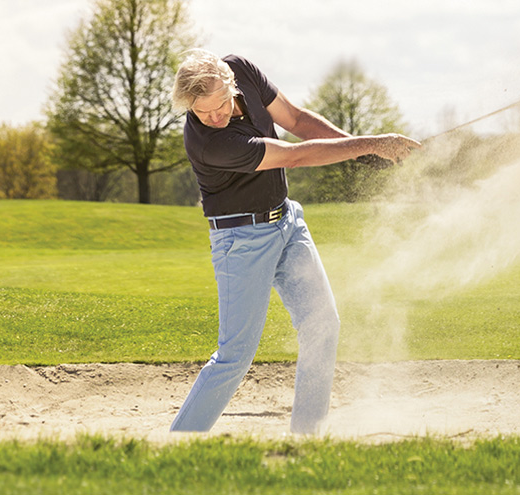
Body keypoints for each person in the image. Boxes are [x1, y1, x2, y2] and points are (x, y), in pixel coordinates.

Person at [168, 49, 419, 433]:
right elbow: (294, 156)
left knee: (323, 326)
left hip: (287, 222)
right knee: (235, 355)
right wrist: (370, 144)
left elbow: (298, 120)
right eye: (203, 112)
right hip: (241, 241)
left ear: (230, 84)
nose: (215, 117)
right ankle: (179, 444)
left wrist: (362, 151)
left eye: (220, 104)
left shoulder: (240, 69)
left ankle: (306, 438)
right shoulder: (208, 142)